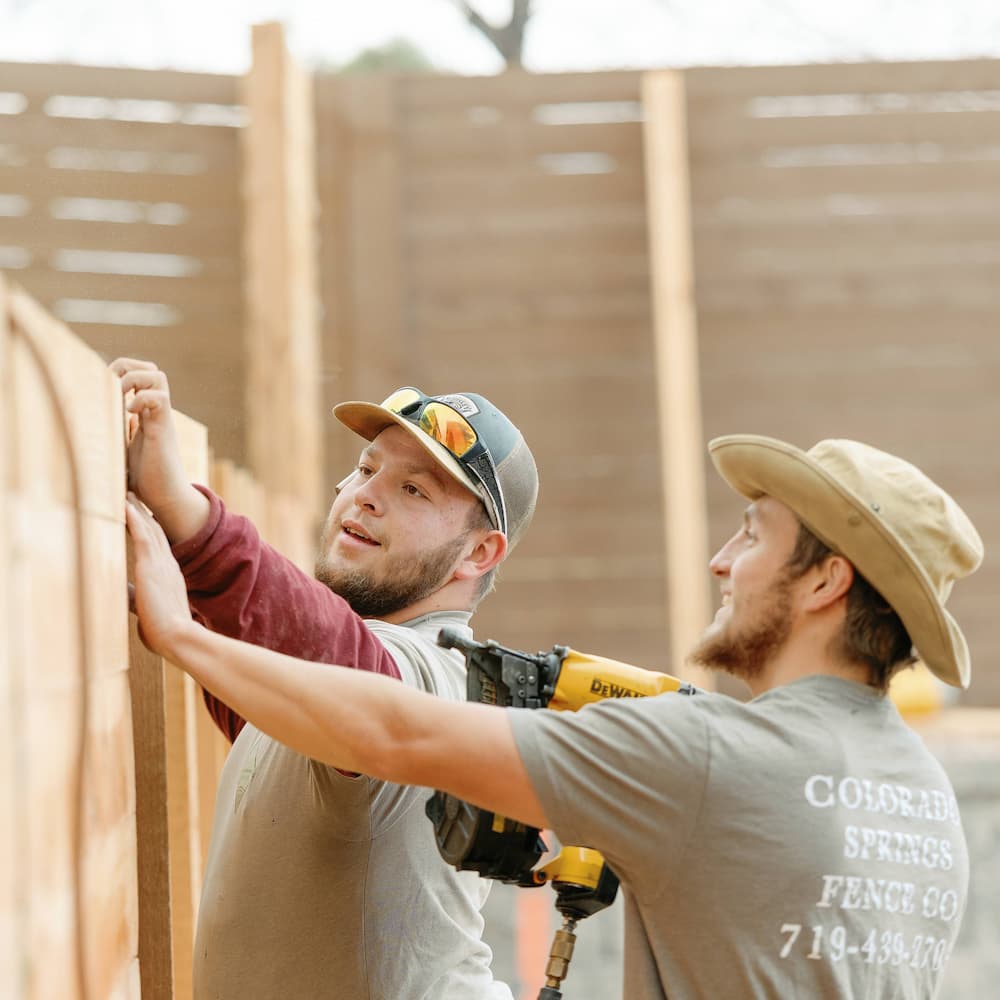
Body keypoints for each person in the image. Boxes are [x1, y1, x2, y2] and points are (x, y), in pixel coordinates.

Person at [126, 432, 983, 1000]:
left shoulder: (707, 754)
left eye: (753, 537)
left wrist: (179, 628)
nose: (723, 562)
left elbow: (389, 728)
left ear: (827, 582)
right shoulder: (928, 800)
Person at [112, 358, 538, 1000]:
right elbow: (278, 702)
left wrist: (186, 515)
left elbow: (344, 662)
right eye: (368, 470)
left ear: (479, 554)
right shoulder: (325, 703)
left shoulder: (442, 678)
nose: (366, 494)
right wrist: (192, 589)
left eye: (414, 490)